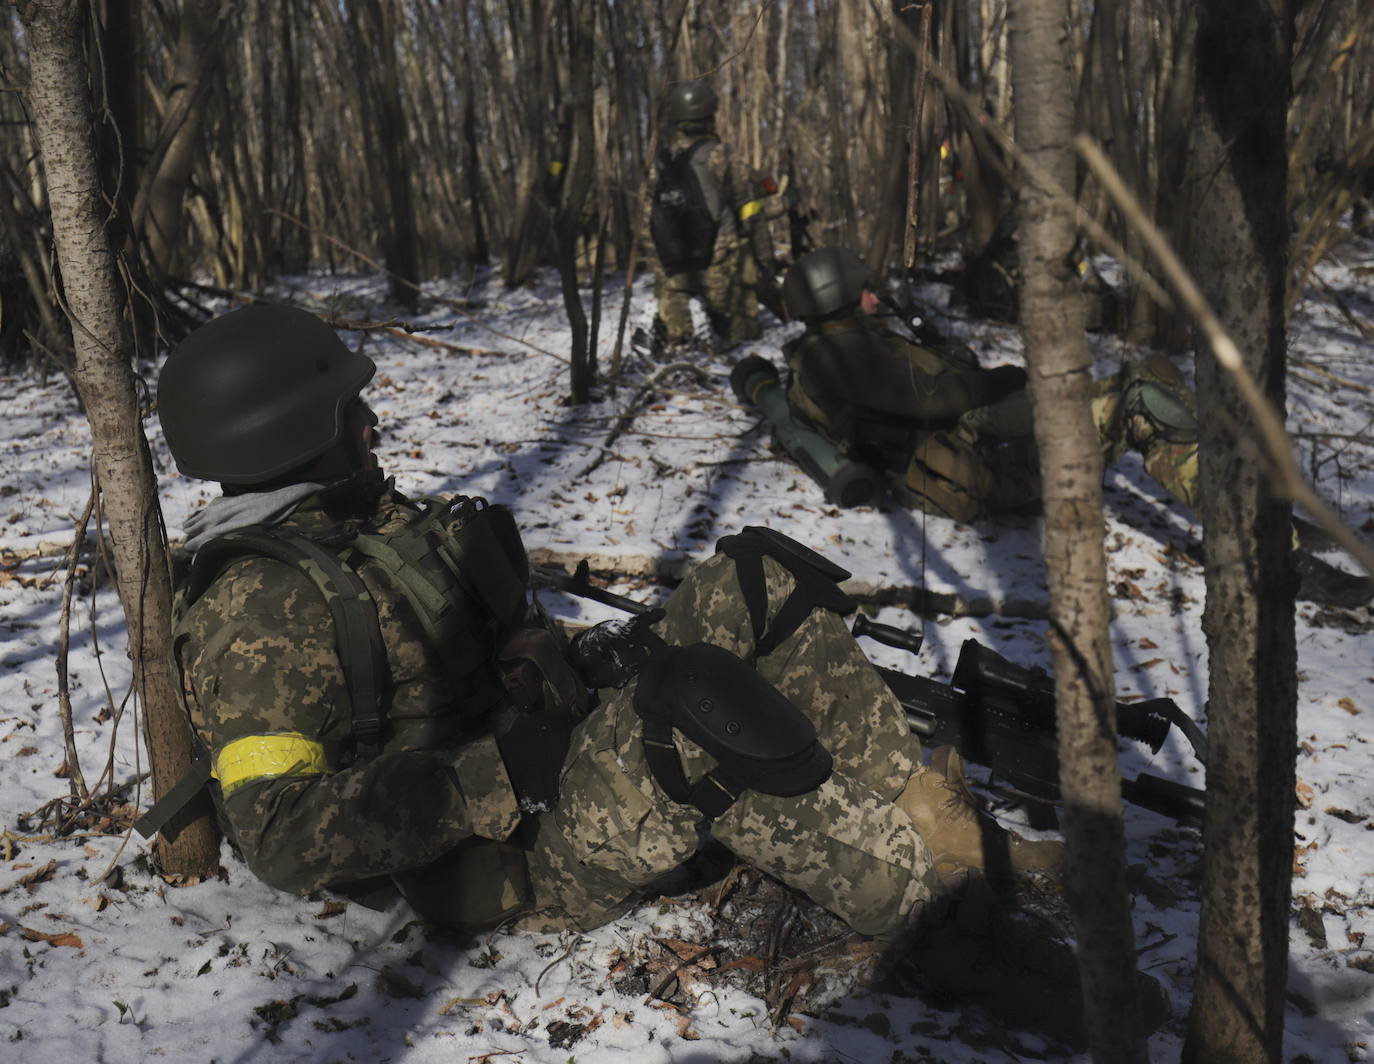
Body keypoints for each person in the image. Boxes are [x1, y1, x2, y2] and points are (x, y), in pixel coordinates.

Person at [153, 302, 1071, 955]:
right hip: (512, 857)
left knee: (758, 575)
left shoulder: (371, 520)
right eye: (349, 410)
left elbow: (496, 645)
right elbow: (278, 835)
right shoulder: (258, 609)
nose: (371, 421)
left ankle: (933, 827)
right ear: (293, 431)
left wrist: (559, 658)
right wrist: (497, 774)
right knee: (693, 711)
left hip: (554, 758)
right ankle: (939, 933)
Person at [771, 246, 1373, 607]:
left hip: (966, 453)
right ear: (844, 297)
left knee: (1143, 378)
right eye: (866, 289)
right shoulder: (847, 357)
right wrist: (982, 373)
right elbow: (947, 394)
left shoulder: (830, 353)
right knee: (1141, 395)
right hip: (976, 467)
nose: (877, 295)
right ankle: (1266, 547)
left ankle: (1256, 513)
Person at [648, 80, 765, 349]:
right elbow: (749, 210)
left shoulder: (659, 162)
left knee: (680, 345)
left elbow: (648, 222)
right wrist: (763, 259)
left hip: (674, 269)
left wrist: (662, 268)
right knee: (742, 340)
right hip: (721, 264)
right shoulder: (721, 156)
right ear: (710, 115)